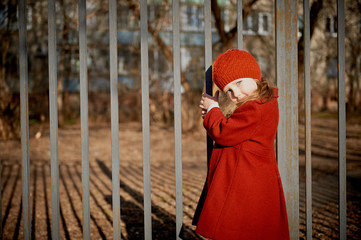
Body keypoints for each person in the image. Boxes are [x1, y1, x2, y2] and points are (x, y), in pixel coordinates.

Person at [192, 49, 290, 240]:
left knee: (239, 230)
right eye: (228, 91)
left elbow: (224, 132)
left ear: (254, 77)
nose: (236, 93)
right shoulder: (263, 103)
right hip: (250, 179)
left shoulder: (257, 107)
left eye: (238, 83)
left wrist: (213, 108)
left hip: (247, 183)